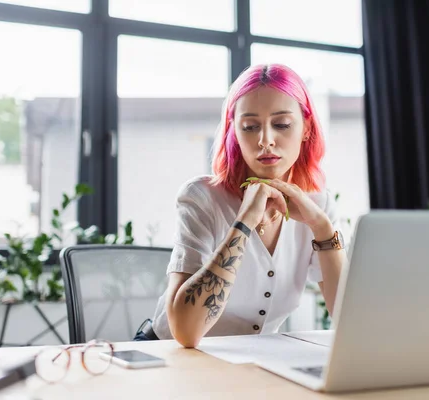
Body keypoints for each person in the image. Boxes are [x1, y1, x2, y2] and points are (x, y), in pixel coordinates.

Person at [136, 64, 347, 347]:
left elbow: (349, 321)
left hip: (255, 362)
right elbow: (185, 333)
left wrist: (322, 228)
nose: (265, 141)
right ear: (234, 132)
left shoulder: (318, 206)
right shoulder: (201, 197)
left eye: (282, 124)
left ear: (306, 128)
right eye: (249, 127)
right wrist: (243, 223)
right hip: (169, 356)